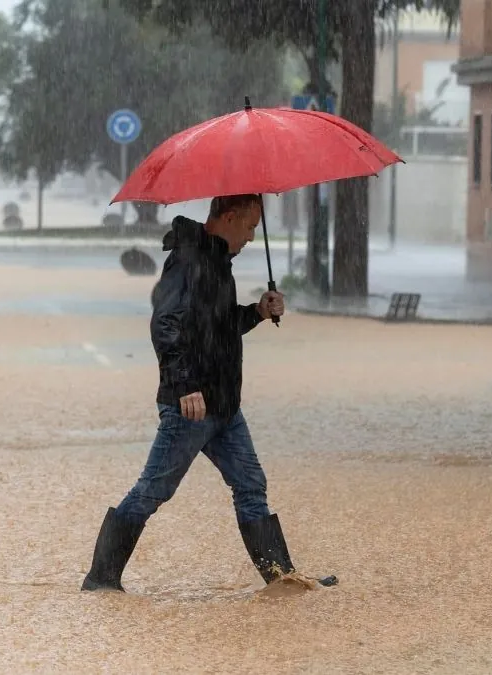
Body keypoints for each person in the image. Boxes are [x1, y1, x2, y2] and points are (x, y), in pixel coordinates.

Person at [81, 194, 337, 592]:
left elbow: (216, 328)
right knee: (152, 490)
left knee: (251, 485)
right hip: (192, 406)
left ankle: (282, 579)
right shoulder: (188, 261)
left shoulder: (217, 261)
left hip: (224, 406)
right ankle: (100, 580)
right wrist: (185, 386)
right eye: (250, 226)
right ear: (229, 217)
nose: (253, 237)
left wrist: (256, 311)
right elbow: (164, 325)